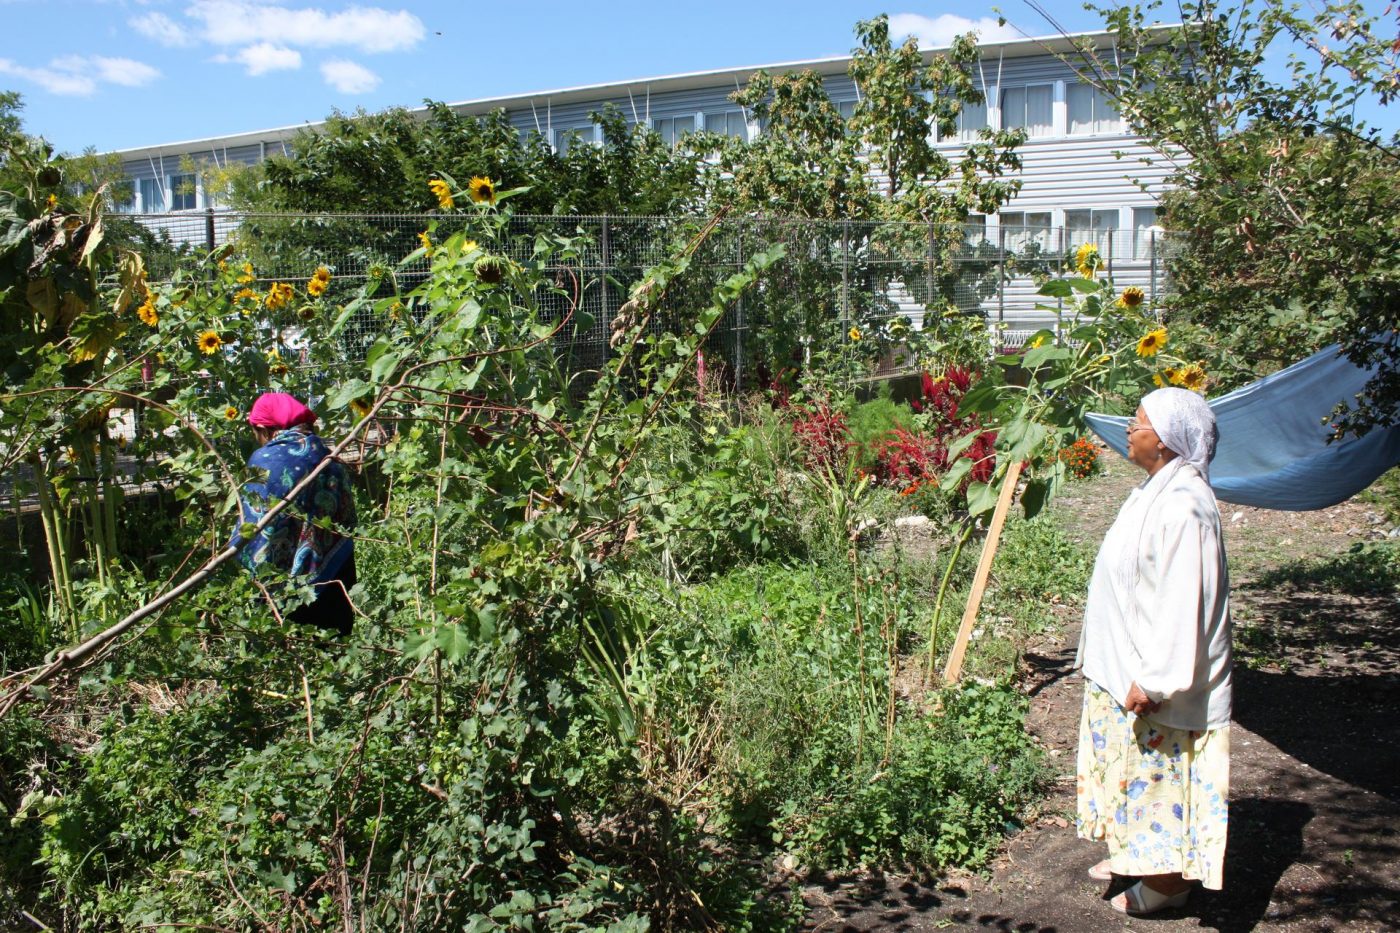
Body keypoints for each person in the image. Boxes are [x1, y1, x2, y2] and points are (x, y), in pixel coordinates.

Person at [1075, 387, 1232, 916]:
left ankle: (1166, 885)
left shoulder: (1185, 507)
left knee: (1157, 780)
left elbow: (1184, 602)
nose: (1129, 429)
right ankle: (1134, 852)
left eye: (1138, 422)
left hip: (1153, 680)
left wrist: (1157, 679)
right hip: (1122, 664)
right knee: (1129, 774)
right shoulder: (1154, 491)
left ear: (1164, 440)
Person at [232, 392, 358, 635]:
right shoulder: (328, 457)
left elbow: (253, 530)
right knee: (333, 644)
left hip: (285, 591)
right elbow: (347, 519)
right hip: (334, 579)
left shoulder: (265, 461)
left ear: (264, 429)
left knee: (289, 642)